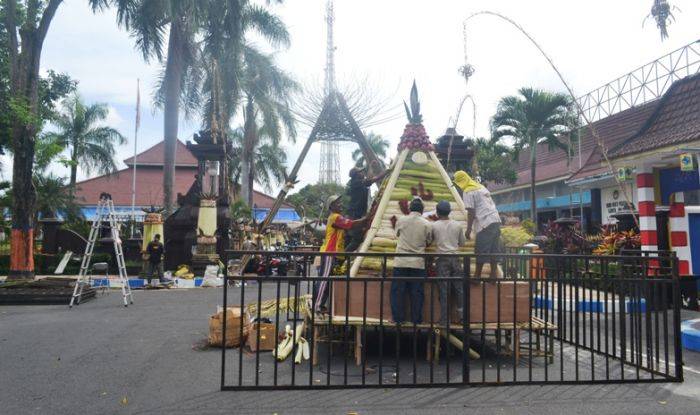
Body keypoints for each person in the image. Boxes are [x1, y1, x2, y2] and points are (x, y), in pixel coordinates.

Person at [314, 194, 367, 311]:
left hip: (335, 253)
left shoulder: (336, 218)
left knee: (328, 279)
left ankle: (321, 304)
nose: (341, 204)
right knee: (325, 279)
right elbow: (351, 224)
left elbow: (349, 226)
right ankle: (317, 305)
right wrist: (366, 220)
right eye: (338, 203)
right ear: (332, 206)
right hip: (330, 252)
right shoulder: (335, 217)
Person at [454, 170, 502, 278]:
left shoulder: (468, 191)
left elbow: (471, 212)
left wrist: (468, 229)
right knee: (494, 249)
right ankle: (493, 275)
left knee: (480, 250)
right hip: (495, 219)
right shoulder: (480, 187)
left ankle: (477, 276)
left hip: (484, 222)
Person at [391, 198, 432, 324]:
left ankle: (398, 319)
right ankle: (416, 320)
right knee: (417, 293)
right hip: (417, 263)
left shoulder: (402, 220)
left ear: (410, 209)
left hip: (401, 261)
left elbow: (397, 234)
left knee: (398, 291)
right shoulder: (427, 224)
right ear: (422, 210)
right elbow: (429, 242)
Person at [431, 200, 468, 325]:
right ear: (449, 212)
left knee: (444, 289)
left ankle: (444, 319)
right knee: (459, 289)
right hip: (455, 259)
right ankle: (463, 317)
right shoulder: (457, 225)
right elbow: (462, 243)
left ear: (437, 212)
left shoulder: (435, 225)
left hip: (442, 260)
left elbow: (430, 241)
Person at [344, 164, 389, 251]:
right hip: (355, 214)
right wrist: (385, 172)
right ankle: (340, 258)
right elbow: (371, 179)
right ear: (357, 175)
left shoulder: (358, 183)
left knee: (351, 239)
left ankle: (342, 259)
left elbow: (369, 180)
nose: (362, 173)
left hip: (356, 213)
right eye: (361, 172)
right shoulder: (356, 183)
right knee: (356, 240)